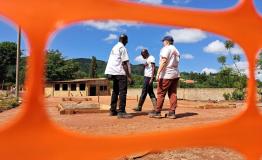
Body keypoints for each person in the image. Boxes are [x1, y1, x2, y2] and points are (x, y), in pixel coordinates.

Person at [150, 36, 180, 119]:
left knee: (161, 93)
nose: (163, 43)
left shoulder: (166, 48)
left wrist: (158, 72)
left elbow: (164, 60)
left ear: (166, 41)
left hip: (166, 74)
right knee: (173, 93)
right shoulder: (176, 50)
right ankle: (172, 113)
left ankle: (157, 112)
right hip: (175, 74)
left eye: (163, 41)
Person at [105, 34, 133, 118]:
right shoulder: (122, 48)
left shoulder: (114, 47)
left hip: (113, 72)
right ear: (125, 40)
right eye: (127, 40)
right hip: (120, 72)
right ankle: (121, 112)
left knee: (115, 91)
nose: (127, 42)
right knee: (122, 92)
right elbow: (124, 63)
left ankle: (112, 111)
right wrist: (128, 76)